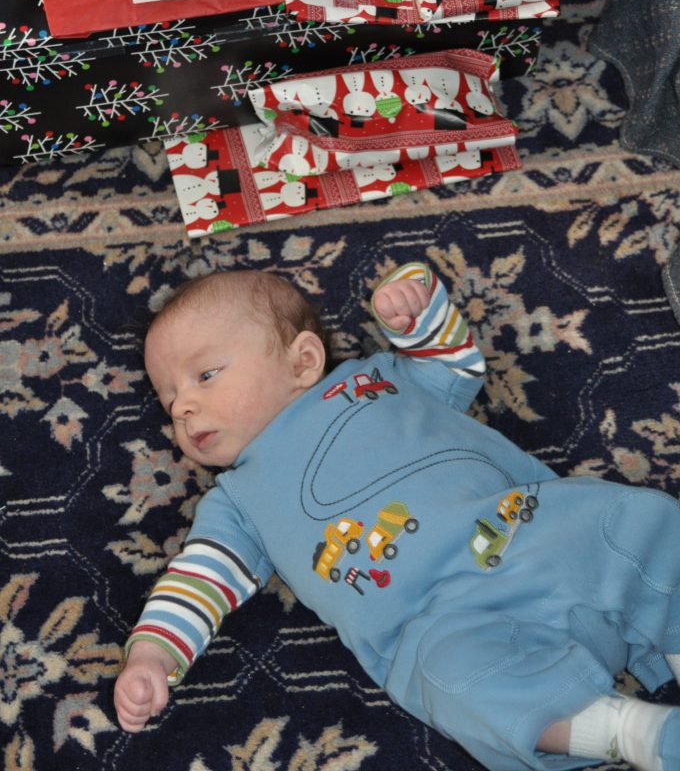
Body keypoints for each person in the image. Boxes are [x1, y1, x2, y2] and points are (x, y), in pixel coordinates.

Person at [114, 262, 680, 771]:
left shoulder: (379, 378)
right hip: (447, 622)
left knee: (641, 523)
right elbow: (197, 580)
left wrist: (416, 309)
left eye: (205, 374)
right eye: (169, 399)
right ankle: (631, 732)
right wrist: (151, 653)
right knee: (451, 684)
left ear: (304, 362)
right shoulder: (238, 500)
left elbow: (457, 365)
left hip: (534, 531)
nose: (183, 405)